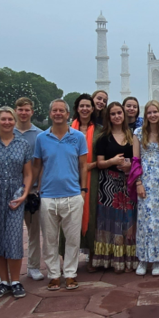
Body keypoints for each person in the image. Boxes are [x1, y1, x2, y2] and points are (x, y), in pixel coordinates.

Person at [33, 99, 88, 291]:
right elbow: (38, 166)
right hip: (48, 194)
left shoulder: (78, 137)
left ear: (67, 114)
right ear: (50, 114)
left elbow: (83, 166)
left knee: (72, 238)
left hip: (73, 193)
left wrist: (83, 190)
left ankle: (70, 273)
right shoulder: (42, 138)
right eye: (54, 110)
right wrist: (36, 190)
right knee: (50, 239)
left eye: (61, 110)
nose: (58, 113)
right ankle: (54, 274)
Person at [0, 107, 33, 299]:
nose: (7, 122)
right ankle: (4, 281)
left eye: (11, 119)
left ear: (15, 120)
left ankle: (16, 280)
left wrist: (25, 193)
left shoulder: (22, 144)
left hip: (15, 193)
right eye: (4, 119)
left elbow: (28, 173)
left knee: (13, 236)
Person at [92, 102, 139, 273]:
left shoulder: (132, 135)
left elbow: (137, 160)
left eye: (119, 113)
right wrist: (112, 162)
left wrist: (129, 167)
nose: (117, 116)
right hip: (108, 184)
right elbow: (100, 163)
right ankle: (111, 259)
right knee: (110, 220)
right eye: (113, 114)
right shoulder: (104, 138)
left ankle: (128, 259)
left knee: (128, 220)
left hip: (127, 182)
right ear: (108, 117)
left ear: (124, 115)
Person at [132, 100, 159, 276]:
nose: (152, 115)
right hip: (145, 180)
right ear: (145, 115)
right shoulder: (138, 134)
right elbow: (135, 161)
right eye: (149, 113)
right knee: (144, 221)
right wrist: (138, 183)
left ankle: (158, 259)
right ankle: (143, 259)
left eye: (155, 112)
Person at [68, 93, 103, 273]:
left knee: (92, 213)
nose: (85, 109)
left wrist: (89, 165)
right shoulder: (67, 130)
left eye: (88, 106)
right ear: (77, 108)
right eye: (81, 106)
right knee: (69, 217)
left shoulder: (99, 130)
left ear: (92, 108)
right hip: (70, 178)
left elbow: (103, 154)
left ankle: (92, 255)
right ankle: (69, 257)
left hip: (93, 176)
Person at [14, 97, 45, 282]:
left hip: (32, 190)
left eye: (27, 109)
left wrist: (38, 188)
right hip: (12, 190)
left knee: (34, 232)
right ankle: (2, 272)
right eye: (20, 109)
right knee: (10, 232)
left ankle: (33, 266)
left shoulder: (39, 135)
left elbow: (41, 164)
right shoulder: (6, 132)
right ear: (15, 111)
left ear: (32, 112)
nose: (23, 113)